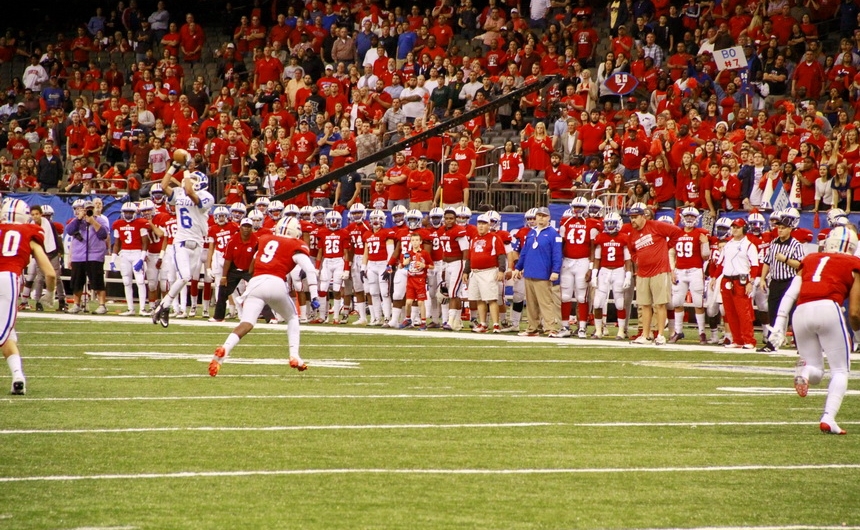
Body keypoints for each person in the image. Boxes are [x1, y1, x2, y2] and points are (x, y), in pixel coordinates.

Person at [766, 226, 860, 435]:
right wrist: (858, 335)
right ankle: (829, 417)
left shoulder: (811, 259)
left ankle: (805, 372)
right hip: (828, 308)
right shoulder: (854, 263)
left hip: (801, 312)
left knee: (816, 369)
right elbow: (854, 312)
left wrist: (780, 324)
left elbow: (790, 293)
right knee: (840, 370)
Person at [209, 217, 319, 376]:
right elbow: (309, 269)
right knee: (293, 318)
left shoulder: (265, 239)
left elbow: (252, 267)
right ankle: (294, 355)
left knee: (246, 323)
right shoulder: (296, 244)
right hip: (275, 282)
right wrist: (314, 296)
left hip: (255, 282)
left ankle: (224, 351)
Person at [151, 151, 215, 327]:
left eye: (194, 180)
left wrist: (186, 171)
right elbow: (164, 186)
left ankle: (163, 306)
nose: (190, 181)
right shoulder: (181, 193)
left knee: (185, 278)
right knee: (185, 276)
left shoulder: (207, 197)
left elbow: (189, 190)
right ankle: (165, 306)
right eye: (191, 179)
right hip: (180, 241)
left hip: (198, 243)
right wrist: (174, 167)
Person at [0, 199, 56, 394]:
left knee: (8, 334)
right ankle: (17, 376)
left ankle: (18, 376)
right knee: (4, 332)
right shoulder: (30, 233)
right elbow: (49, 273)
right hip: (9, 279)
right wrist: (49, 293)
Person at [626, 202, 682, 345]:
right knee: (644, 304)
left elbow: (676, 232)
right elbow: (631, 250)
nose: (632, 220)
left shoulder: (655, 225)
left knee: (660, 304)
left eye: (635, 217)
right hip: (643, 273)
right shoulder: (632, 234)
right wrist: (636, 259)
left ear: (643, 216)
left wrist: (667, 247)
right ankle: (645, 335)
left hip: (659, 270)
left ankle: (661, 335)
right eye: (631, 217)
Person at [512, 206, 563, 337]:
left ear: (549, 218)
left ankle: (550, 327)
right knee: (531, 303)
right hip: (529, 272)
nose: (541, 218)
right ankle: (533, 328)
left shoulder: (553, 234)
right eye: (539, 215)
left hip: (543, 274)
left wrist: (555, 271)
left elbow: (557, 255)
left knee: (545, 302)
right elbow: (524, 252)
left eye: (544, 216)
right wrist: (518, 267)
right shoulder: (532, 232)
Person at [757, 214, 805, 352]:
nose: (780, 230)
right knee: (773, 313)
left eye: (783, 228)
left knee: (795, 314)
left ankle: (800, 343)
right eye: (779, 227)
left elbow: (800, 264)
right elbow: (767, 261)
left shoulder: (796, 245)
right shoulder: (774, 243)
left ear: (790, 229)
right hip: (775, 282)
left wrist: (785, 260)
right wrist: (762, 278)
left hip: (789, 282)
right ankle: (772, 343)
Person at [714, 218, 761, 349]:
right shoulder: (727, 244)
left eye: (738, 227)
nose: (734, 229)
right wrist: (714, 278)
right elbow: (721, 263)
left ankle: (749, 340)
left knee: (743, 312)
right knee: (730, 311)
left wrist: (750, 281)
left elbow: (755, 265)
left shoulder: (749, 245)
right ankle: (737, 339)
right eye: (733, 227)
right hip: (727, 279)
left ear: (744, 229)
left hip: (741, 280)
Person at [64, 198, 110, 314]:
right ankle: (76, 304)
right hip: (79, 255)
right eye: (87, 210)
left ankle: (102, 305)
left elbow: (104, 235)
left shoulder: (101, 220)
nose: (88, 212)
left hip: (95, 255)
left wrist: (93, 222)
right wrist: (79, 218)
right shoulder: (77, 221)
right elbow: (69, 231)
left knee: (97, 281)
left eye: (91, 209)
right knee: (77, 282)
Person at [211, 217, 258, 322]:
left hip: (249, 270)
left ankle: (271, 317)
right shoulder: (233, 240)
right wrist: (224, 276)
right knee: (223, 289)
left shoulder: (256, 241)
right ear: (240, 228)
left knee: (260, 289)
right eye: (244, 226)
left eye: (249, 226)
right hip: (235, 268)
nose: (246, 229)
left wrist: (254, 272)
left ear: (251, 228)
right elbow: (227, 259)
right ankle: (218, 317)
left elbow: (257, 258)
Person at [466, 214, 507, 333]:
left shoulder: (494, 238)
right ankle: (483, 324)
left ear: (489, 225)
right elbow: (470, 257)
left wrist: (501, 270)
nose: (481, 226)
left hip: (489, 271)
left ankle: (495, 324)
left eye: (484, 223)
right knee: (479, 299)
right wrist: (466, 271)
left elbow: (501, 255)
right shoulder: (474, 239)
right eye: (479, 223)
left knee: (492, 299)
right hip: (475, 272)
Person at [110, 202, 150, 316]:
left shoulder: (141, 223)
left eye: (130, 212)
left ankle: (142, 309)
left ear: (135, 213)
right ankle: (130, 308)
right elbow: (117, 243)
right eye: (126, 212)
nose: (128, 214)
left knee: (140, 281)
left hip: (137, 253)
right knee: (126, 281)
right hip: (125, 254)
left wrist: (142, 258)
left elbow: (145, 243)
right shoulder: (118, 224)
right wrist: (113, 259)